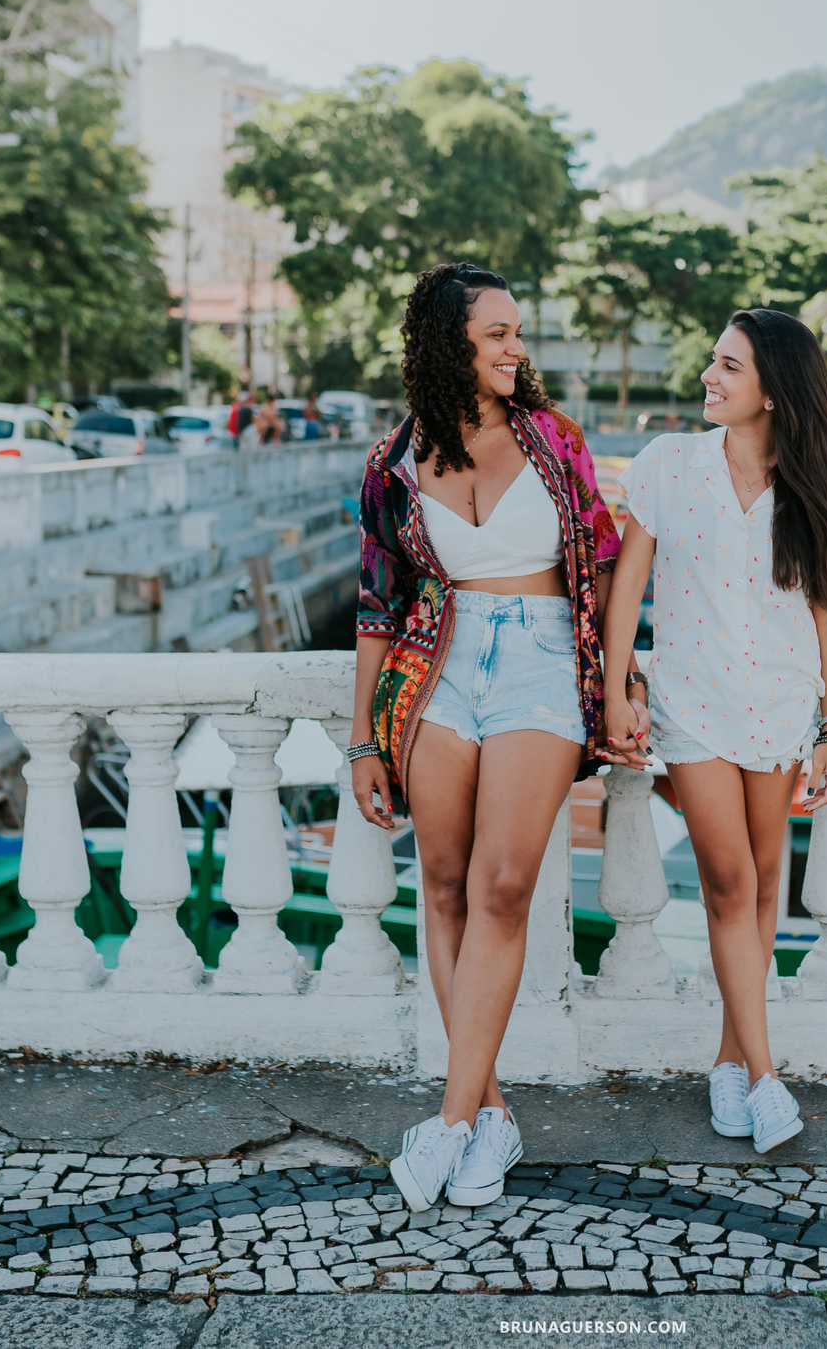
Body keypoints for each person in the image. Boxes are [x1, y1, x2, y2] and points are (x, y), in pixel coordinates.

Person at [346, 262, 646, 1212]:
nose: (520, 348)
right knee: (442, 882)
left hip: (541, 663)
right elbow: (376, 606)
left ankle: (444, 1119)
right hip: (437, 666)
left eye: (520, 332)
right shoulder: (392, 463)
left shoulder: (554, 441)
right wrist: (361, 740)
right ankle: (490, 1113)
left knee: (502, 883)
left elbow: (603, 563)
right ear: (450, 345)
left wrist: (618, 684)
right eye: (499, 334)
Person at [602, 308, 827, 1154]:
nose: (709, 378)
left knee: (762, 888)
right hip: (691, 704)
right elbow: (626, 588)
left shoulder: (815, 486)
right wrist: (616, 686)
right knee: (725, 882)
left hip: (781, 706)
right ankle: (763, 1075)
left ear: (774, 391)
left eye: (728, 366)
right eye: (713, 361)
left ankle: (725, 1060)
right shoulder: (667, 466)